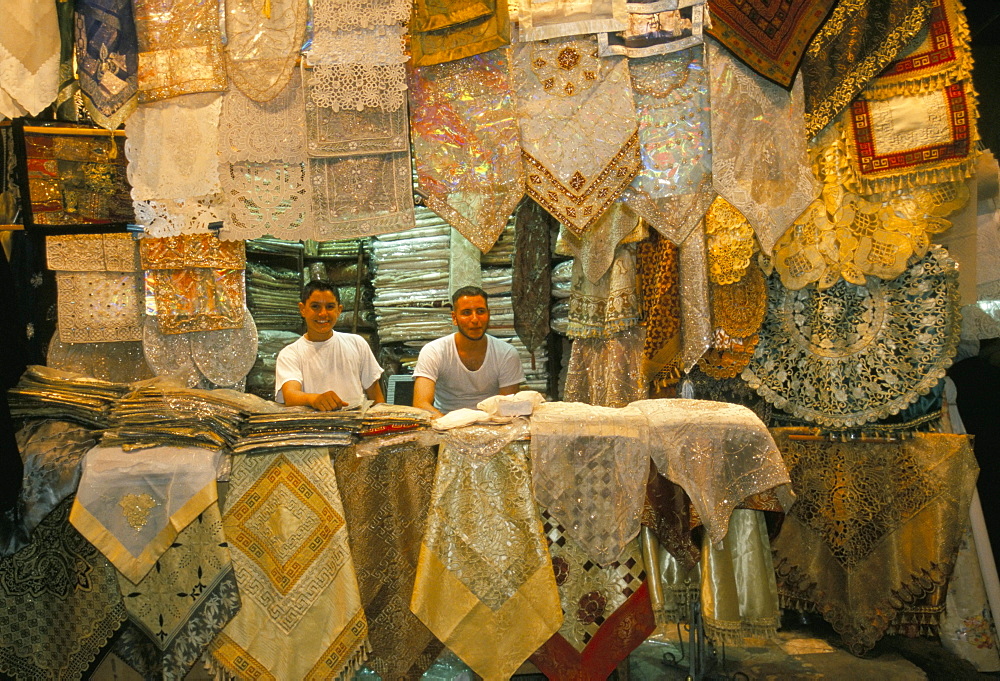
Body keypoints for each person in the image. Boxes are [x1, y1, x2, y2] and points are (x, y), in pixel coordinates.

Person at [413, 285, 524, 417]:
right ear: (454, 318)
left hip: (490, 424)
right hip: (443, 423)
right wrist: (451, 428)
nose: (475, 319)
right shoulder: (434, 351)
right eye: (466, 313)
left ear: (489, 314)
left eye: (480, 311)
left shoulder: (506, 354)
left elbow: (507, 407)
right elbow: (421, 404)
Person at [275, 280, 385, 410]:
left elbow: (377, 398)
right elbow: (290, 396)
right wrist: (314, 399)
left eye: (330, 307)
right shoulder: (290, 354)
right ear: (302, 309)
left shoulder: (357, 344)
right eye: (315, 306)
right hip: (313, 428)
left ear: (339, 310)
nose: (323, 314)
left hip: (356, 427)